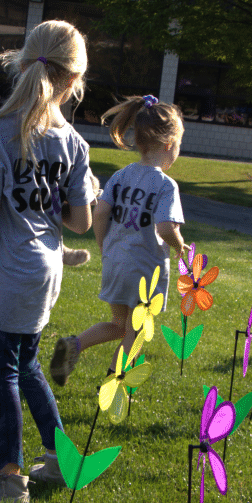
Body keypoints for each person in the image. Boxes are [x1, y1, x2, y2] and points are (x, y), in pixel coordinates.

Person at [0, 20, 94, 503]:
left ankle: (9, 481)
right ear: (74, 81)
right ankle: (60, 458)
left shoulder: (0, 132)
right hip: (46, 274)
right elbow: (81, 223)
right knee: (28, 364)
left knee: (2, 374)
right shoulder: (74, 142)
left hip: (11, 272)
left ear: (23, 65)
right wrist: (86, 192)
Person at [50, 94, 187, 387]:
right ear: (168, 145)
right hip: (145, 269)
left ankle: (74, 345)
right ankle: (114, 384)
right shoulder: (165, 185)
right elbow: (164, 228)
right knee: (135, 332)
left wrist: (105, 246)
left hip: (116, 261)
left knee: (117, 324)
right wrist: (180, 247)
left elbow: (100, 212)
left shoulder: (121, 176)